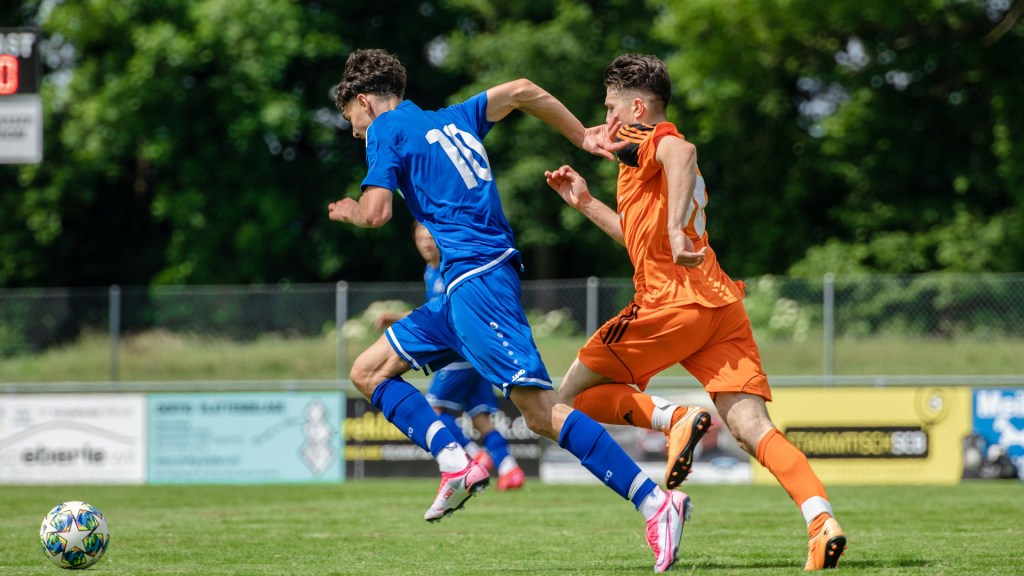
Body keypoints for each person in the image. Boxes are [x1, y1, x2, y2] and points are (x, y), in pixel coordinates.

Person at [329, 48, 690, 572]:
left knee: (541, 414)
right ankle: (456, 461)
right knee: (367, 371)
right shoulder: (453, 118)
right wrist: (581, 136)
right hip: (457, 290)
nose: (359, 135)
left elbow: (379, 212)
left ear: (365, 101)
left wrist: (351, 212)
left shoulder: (387, 130)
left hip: (478, 281)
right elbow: (522, 88)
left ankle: (657, 502)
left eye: (354, 125)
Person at [543, 54, 847, 571]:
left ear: (637, 106)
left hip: (670, 302)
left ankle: (674, 418)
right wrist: (587, 204)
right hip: (718, 305)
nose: (606, 119)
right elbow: (641, 241)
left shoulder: (652, 138)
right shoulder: (636, 159)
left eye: (611, 107)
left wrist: (677, 228)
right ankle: (822, 521)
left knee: (562, 399)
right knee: (754, 429)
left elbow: (683, 153)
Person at [375, 222, 525, 490]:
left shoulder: (450, 267)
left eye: (430, 237)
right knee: (480, 417)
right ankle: (509, 468)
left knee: (433, 410)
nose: (426, 243)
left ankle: (472, 456)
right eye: (420, 238)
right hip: (474, 354)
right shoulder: (429, 272)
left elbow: (447, 316)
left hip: (457, 353)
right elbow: (432, 313)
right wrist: (396, 317)